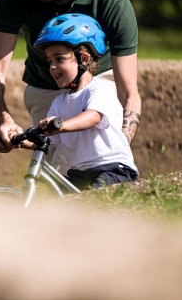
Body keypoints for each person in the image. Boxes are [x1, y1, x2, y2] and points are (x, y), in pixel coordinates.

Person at [0, 0, 141, 157]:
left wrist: (120, 145)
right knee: (55, 164)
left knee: (99, 159)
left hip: (97, 77)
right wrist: (6, 124)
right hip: (43, 85)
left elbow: (128, 92)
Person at [21, 13, 138, 189]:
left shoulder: (100, 88)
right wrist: (22, 140)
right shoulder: (58, 102)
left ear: (83, 58)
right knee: (60, 201)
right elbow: (50, 140)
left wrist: (60, 125)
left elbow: (93, 117)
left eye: (59, 58)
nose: (52, 66)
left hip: (112, 169)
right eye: (50, 60)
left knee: (94, 201)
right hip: (79, 173)